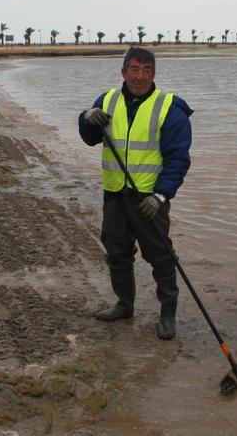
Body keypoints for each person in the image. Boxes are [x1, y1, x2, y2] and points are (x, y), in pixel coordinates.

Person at [78, 47, 193, 340]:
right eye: (134, 69)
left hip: (148, 199)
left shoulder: (170, 107)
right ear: (124, 72)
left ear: (154, 73)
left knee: (161, 256)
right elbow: (90, 138)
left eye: (146, 70)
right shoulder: (107, 100)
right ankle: (124, 304)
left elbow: (178, 159)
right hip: (115, 193)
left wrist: (161, 196)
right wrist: (86, 117)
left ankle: (167, 315)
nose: (139, 76)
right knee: (116, 251)